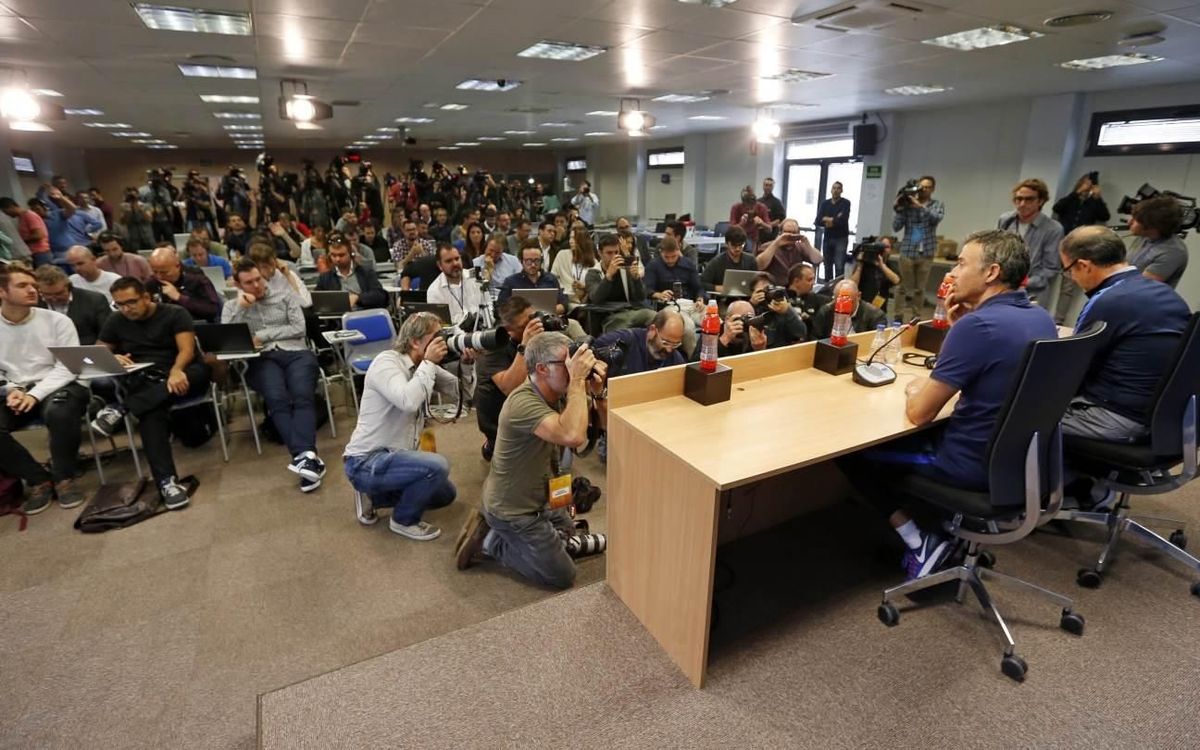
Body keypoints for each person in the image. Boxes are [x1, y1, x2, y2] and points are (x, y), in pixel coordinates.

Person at [841, 230, 1057, 580]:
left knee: (852, 450)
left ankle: (920, 542)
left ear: (991, 273)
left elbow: (919, 412)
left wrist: (915, 388)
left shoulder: (979, 326)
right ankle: (943, 530)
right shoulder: (1040, 317)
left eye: (961, 263)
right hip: (1020, 462)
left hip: (969, 464)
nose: (952, 274)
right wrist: (957, 333)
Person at [455, 333, 608, 586]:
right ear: (542, 369)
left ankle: (527, 538)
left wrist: (598, 393)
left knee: (570, 531)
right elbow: (573, 435)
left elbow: (602, 425)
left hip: (545, 495)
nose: (573, 368)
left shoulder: (557, 391)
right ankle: (492, 542)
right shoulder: (523, 403)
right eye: (567, 363)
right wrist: (578, 381)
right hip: (514, 509)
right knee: (562, 575)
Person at [1059, 226, 1191, 444]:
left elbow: (1071, 369)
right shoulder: (1165, 293)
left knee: (1010, 419)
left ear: (1084, 266)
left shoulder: (1108, 300)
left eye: (1068, 270)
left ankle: (1060, 478)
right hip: (1166, 419)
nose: (1071, 278)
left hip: (1117, 417)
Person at [92, 277, 213, 509]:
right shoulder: (117, 319)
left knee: (194, 373)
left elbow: (187, 350)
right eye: (120, 304)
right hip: (147, 379)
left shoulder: (174, 313)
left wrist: (176, 370)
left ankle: (122, 407)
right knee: (151, 413)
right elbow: (99, 350)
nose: (126, 308)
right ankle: (167, 482)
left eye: (132, 302)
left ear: (147, 297)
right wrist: (111, 356)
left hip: (186, 372)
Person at [342, 312, 461, 539]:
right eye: (436, 336)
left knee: (446, 494)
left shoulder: (423, 365)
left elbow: (461, 392)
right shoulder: (386, 362)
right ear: (415, 342)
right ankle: (403, 520)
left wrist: (466, 363)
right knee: (437, 466)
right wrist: (428, 363)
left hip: (395, 457)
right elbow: (408, 401)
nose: (442, 341)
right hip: (365, 461)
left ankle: (374, 497)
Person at [223, 260, 327, 492]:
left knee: (302, 395)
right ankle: (306, 456)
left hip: (296, 353)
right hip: (262, 360)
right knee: (277, 399)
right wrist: (242, 309)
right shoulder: (231, 306)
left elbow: (299, 328)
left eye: (258, 279)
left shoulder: (285, 296)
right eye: (249, 282)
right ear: (238, 284)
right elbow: (228, 340)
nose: (257, 285)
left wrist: (262, 334)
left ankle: (304, 457)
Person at [0, 264, 90, 513]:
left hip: (60, 384)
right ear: (2, 292)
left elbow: (69, 367)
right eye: (22, 286)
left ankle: (64, 478)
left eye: (33, 285)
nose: (32, 290)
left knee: (59, 411)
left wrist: (34, 394)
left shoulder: (58, 321)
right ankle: (39, 479)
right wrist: (11, 389)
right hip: (18, 389)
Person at [474, 296, 541, 461]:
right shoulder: (493, 345)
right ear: (508, 329)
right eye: (525, 326)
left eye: (533, 318)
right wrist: (526, 344)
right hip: (499, 417)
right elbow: (511, 388)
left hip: (527, 404)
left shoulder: (537, 332)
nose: (533, 326)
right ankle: (491, 445)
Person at [997, 178, 1063, 303]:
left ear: (1041, 201)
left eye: (1029, 199)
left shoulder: (1053, 229)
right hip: (1003, 289)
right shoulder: (1006, 220)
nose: (1022, 204)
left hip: (1033, 293)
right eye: (1019, 199)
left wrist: (1023, 282)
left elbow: (1051, 268)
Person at [892, 175, 944, 321]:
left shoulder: (936, 204)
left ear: (933, 189)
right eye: (922, 187)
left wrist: (920, 206)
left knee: (920, 289)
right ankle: (898, 316)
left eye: (928, 187)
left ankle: (916, 316)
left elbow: (936, 218)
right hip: (908, 250)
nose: (924, 190)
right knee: (901, 286)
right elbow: (896, 227)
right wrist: (899, 208)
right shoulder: (907, 205)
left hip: (926, 252)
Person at [593, 308, 687, 376]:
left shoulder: (676, 359)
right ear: (652, 330)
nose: (669, 350)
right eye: (665, 342)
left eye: (675, 344)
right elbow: (590, 351)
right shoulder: (623, 340)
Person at [35, 265, 110, 345]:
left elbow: (107, 335)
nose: (54, 298)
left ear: (69, 286)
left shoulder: (94, 300)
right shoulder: (34, 303)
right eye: (47, 294)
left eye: (59, 293)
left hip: (84, 350)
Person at [147, 246, 222, 324]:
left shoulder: (196, 279)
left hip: (195, 325)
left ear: (177, 266)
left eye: (164, 272)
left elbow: (212, 309)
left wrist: (179, 297)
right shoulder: (151, 283)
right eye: (155, 272)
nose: (159, 276)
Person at [1127, 195, 1188, 289]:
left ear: (1152, 226)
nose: (1129, 222)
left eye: (1135, 220)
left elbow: (1139, 288)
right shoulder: (1144, 237)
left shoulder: (1173, 252)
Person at [315, 236, 387, 310]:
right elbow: (318, 302)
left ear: (351, 254)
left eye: (341, 255)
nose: (337, 259)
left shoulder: (365, 272)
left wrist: (358, 297)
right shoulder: (325, 278)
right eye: (333, 255)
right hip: (338, 319)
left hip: (365, 315)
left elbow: (380, 295)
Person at [427, 244, 488, 328]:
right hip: (454, 337)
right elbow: (440, 325)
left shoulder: (476, 279)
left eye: (457, 258)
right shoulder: (434, 291)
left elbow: (489, 309)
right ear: (440, 265)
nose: (455, 263)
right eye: (449, 261)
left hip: (481, 332)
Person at [497, 244, 569, 315]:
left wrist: (548, 312)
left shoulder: (551, 279)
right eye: (528, 261)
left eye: (537, 261)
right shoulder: (511, 281)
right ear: (521, 261)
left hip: (548, 320)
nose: (533, 265)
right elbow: (500, 308)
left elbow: (563, 304)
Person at [810, 278, 886, 340]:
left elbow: (878, 342)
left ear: (858, 296)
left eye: (849, 302)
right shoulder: (825, 311)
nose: (843, 307)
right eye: (839, 301)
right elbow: (815, 338)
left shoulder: (875, 315)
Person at [746, 273, 807, 348]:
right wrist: (751, 305)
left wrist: (787, 310)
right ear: (752, 293)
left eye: (767, 291)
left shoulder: (782, 309)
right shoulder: (748, 308)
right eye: (760, 292)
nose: (764, 295)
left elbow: (801, 333)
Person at [756, 218, 821, 286]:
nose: (790, 235)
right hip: (774, 286)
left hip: (795, 288)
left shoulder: (800, 247)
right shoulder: (768, 246)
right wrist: (776, 243)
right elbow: (759, 265)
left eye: (793, 233)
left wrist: (806, 243)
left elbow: (818, 260)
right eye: (787, 232)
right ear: (780, 233)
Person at [644, 236, 704, 306]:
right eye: (666, 257)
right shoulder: (653, 265)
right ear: (661, 252)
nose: (670, 260)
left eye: (673, 256)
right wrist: (658, 294)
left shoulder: (688, 264)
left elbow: (698, 287)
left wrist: (700, 299)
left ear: (678, 251)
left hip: (688, 303)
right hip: (664, 305)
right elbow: (647, 289)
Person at [248, 242, 312, 308]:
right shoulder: (253, 283)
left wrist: (288, 276)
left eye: (272, 264)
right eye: (265, 267)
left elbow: (305, 303)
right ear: (255, 267)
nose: (271, 270)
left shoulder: (288, 274)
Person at [849, 236, 901, 314]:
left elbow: (896, 280)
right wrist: (860, 265)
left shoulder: (888, 265)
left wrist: (882, 265)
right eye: (881, 245)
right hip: (862, 305)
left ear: (891, 250)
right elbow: (852, 284)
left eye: (887, 247)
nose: (883, 249)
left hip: (880, 308)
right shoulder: (865, 263)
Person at [550, 227, 600, 309]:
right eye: (570, 237)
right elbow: (553, 278)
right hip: (565, 299)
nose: (570, 241)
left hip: (585, 301)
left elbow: (597, 287)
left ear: (583, 240)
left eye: (574, 238)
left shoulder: (594, 262)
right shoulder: (562, 255)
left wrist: (584, 287)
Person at [701, 226, 758, 292]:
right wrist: (718, 288)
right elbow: (702, 284)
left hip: (746, 298)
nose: (737, 249)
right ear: (727, 244)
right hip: (723, 298)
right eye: (734, 245)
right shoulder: (716, 262)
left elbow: (756, 282)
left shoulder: (751, 260)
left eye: (741, 245)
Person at [815, 181, 852, 281]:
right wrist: (834, 219)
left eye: (838, 188)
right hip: (828, 238)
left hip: (841, 238)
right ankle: (828, 290)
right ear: (831, 190)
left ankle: (839, 288)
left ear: (841, 190)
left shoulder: (845, 203)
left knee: (839, 266)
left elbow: (843, 220)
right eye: (834, 188)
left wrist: (828, 219)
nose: (836, 190)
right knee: (827, 265)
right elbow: (818, 220)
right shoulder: (825, 204)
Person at [785, 262, 829, 330]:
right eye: (809, 280)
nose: (813, 283)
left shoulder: (819, 300)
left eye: (813, 279)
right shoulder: (781, 298)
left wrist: (808, 319)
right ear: (796, 281)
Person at [0, 196, 42, 264]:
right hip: (23, 253)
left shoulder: (29, 215)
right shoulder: (20, 218)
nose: (6, 214)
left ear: (11, 206)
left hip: (22, 255)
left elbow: (39, 235)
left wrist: (24, 240)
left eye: (5, 211)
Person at [729, 186, 771, 252]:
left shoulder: (761, 207)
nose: (749, 211)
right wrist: (741, 224)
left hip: (753, 239)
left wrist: (762, 223)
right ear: (743, 204)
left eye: (751, 208)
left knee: (751, 257)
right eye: (747, 208)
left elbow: (769, 229)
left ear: (755, 204)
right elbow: (730, 230)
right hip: (737, 239)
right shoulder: (736, 207)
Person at [759, 177, 786, 243]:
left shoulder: (777, 202)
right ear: (763, 186)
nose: (768, 187)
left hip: (771, 237)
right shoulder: (758, 202)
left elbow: (780, 219)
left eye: (770, 185)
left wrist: (766, 226)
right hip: (758, 236)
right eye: (766, 185)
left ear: (773, 187)